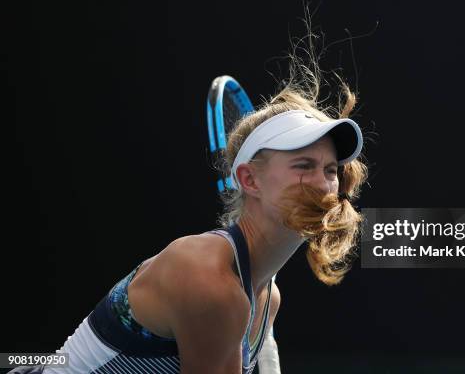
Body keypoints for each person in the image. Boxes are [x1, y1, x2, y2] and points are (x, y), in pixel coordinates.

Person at [11, 49, 368, 374]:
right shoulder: (207, 277)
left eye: (331, 170)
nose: (324, 185)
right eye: (303, 165)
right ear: (249, 180)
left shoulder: (265, 298)